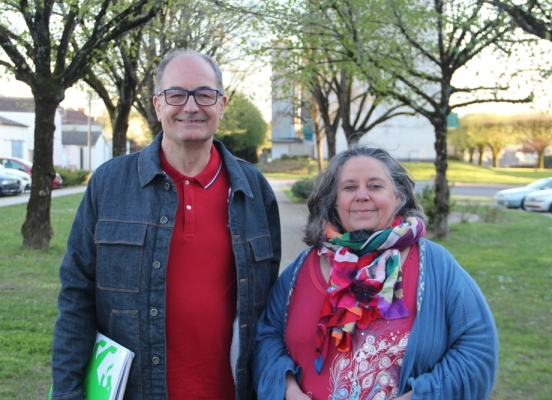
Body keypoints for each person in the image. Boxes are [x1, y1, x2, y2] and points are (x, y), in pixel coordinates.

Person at [51, 49, 281, 400]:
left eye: (205, 94)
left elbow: (268, 313)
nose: (190, 107)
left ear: (222, 104)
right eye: (176, 95)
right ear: (158, 104)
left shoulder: (254, 191)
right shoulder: (109, 184)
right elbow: (76, 296)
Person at [252, 146, 498, 400]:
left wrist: (419, 396)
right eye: (349, 187)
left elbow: (477, 347)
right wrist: (289, 391)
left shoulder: (437, 265)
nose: (361, 195)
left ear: (399, 197)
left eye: (375, 186)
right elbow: (267, 336)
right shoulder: (301, 269)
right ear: (334, 202)